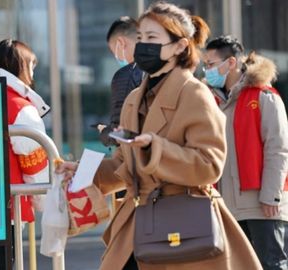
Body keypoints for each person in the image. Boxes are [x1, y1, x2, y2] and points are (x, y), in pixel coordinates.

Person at [57, 2, 262, 270]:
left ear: (180, 46)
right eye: (140, 37)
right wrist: (85, 171)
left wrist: (157, 149)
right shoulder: (134, 98)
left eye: (153, 38)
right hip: (139, 221)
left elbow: (210, 165)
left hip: (184, 226)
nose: (143, 46)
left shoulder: (195, 93)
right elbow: (124, 161)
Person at [203, 35, 288, 270]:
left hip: (262, 205)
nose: (206, 70)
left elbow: (278, 149)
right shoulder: (213, 102)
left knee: (271, 265)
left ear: (231, 63)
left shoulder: (264, 96)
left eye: (210, 64)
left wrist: (272, 195)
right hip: (227, 207)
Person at [0, 39, 50, 270]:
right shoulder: (19, 106)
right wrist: (43, 198)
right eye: (31, 65)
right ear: (20, 66)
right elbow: (34, 162)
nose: (33, 72)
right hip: (7, 208)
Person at [98, 16, 143, 147]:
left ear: (120, 43)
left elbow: (120, 134)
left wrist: (104, 132)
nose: (116, 57)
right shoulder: (159, 70)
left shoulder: (127, 75)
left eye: (114, 51)